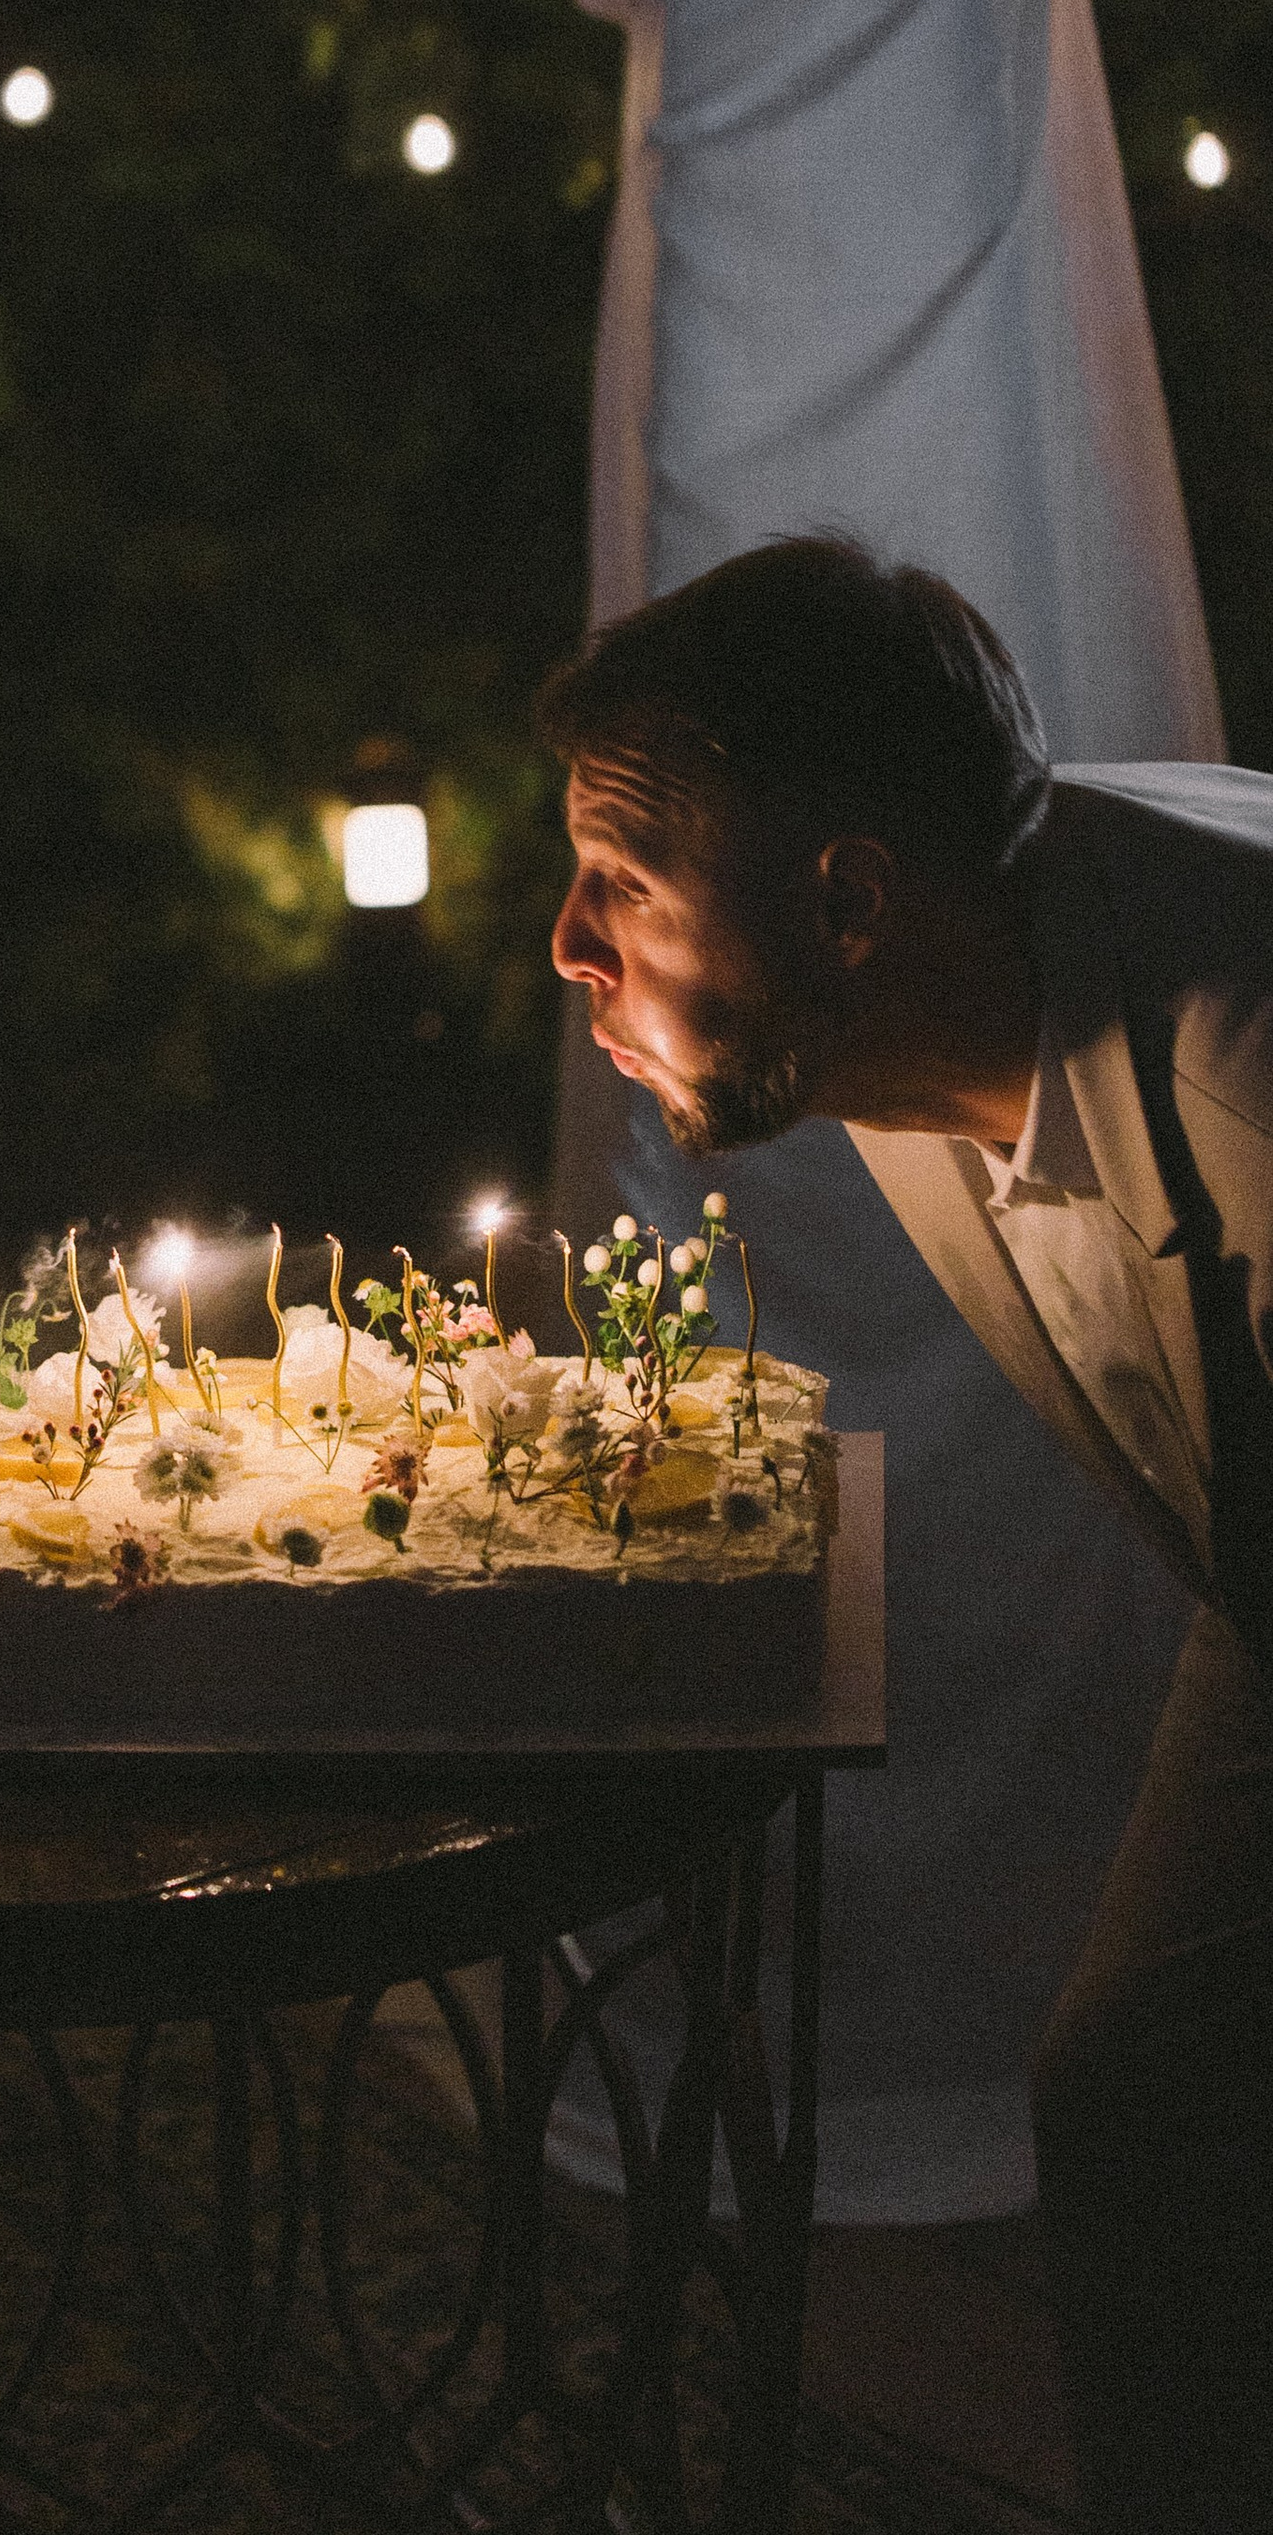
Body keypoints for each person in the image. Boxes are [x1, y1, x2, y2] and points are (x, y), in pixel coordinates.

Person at [540, 537, 1273, 2535]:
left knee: (1152, 2105)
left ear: (845, 895)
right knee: (1145, 2107)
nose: (562, 942)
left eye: (618, 874)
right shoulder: (910, 1013)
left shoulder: (1240, 1078)